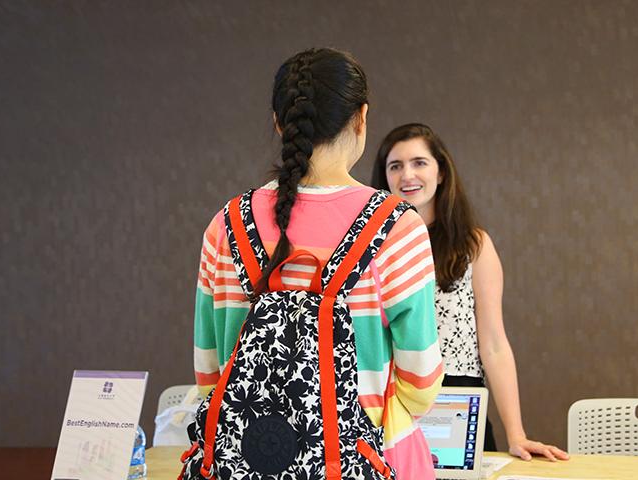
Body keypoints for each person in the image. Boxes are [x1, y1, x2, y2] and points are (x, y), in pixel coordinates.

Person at [193, 50, 444, 478]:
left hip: (247, 464)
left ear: (279, 124)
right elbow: (420, 379)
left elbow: (209, 373)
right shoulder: (397, 228)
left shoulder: (227, 225)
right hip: (363, 457)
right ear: (361, 118)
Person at [371, 123, 570, 462]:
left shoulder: (473, 245)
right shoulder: (374, 246)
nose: (407, 175)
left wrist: (516, 433)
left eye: (419, 162)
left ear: (441, 171)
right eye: (395, 166)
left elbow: (493, 343)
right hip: (394, 404)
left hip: (458, 401)